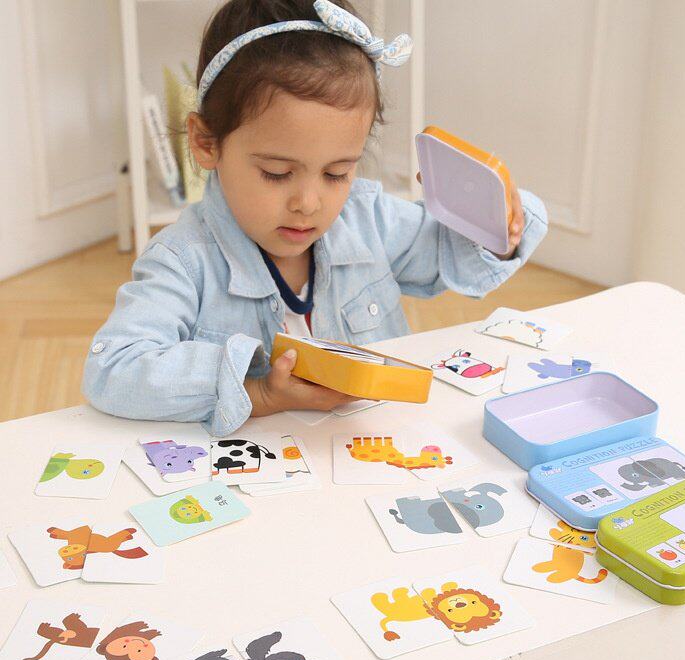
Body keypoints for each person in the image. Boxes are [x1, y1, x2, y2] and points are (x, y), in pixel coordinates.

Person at [83, 0, 548, 436]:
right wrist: (257, 392)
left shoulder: (367, 218)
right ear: (207, 143)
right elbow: (113, 369)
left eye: (336, 173)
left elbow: (451, 252)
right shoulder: (182, 261)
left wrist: (493, 223)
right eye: (276, 172)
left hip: (372, 447)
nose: (308, 203)